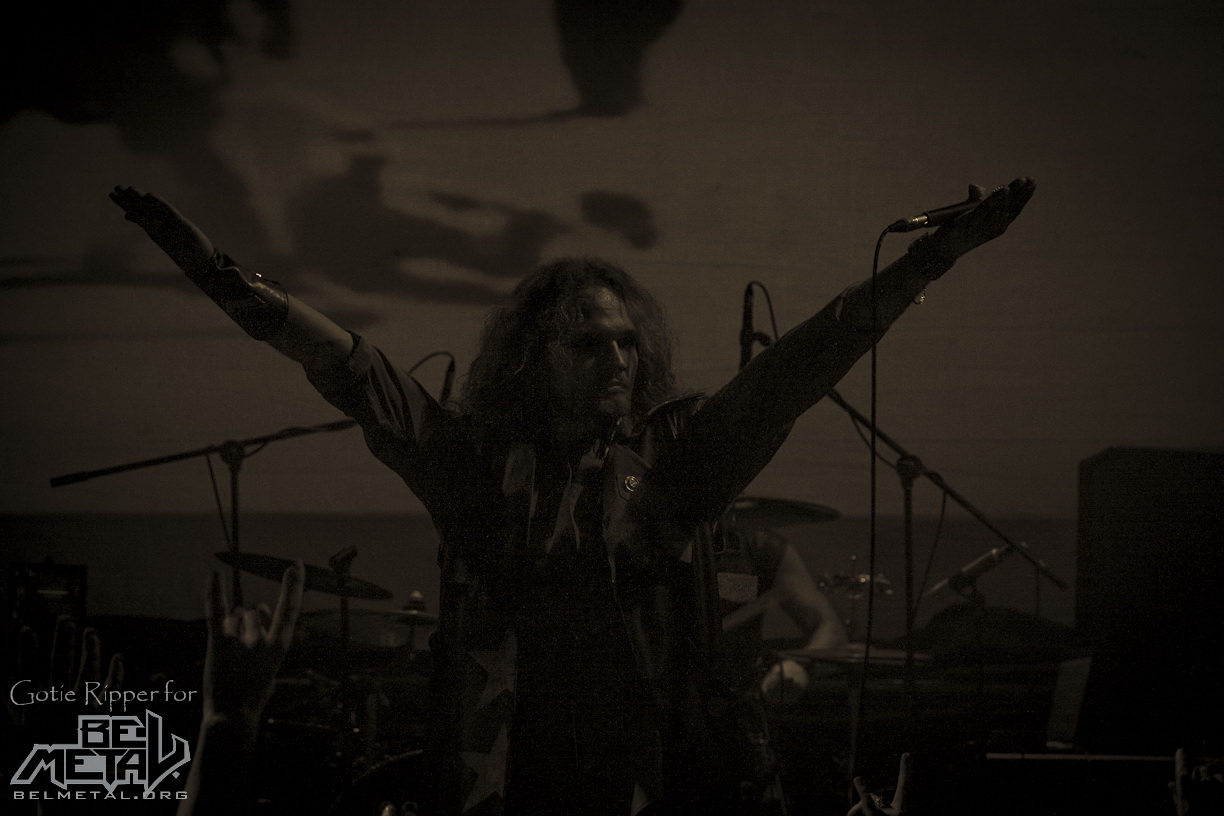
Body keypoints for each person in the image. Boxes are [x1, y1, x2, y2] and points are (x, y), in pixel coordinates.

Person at [110, 176, 1035, 816]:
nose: (619, 359)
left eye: (628, 342)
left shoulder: (674, 461)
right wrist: (232, 287)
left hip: (649, 780)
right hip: (505, 775)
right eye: (589, 344)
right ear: (534, 357)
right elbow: (360, 374)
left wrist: (927, 263)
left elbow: (795, 369)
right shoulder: (477, 467)